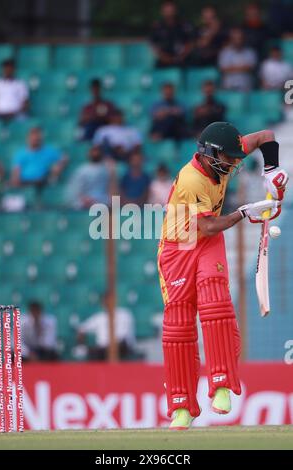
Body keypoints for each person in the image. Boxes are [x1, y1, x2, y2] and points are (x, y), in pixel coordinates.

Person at [158, 121, 288, 429]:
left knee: (215, 303)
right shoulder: (192, 180)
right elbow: (207, 226)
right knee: (178, 326)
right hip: (179, 247)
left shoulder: (226, 151)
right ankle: (182, 406)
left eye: (235, 157)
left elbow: (267, 137)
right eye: (228, 159)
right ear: (209, 154)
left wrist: (272, 172)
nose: (232, 164)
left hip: (207, 244)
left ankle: (221, 385)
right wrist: (245, 212)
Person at [76, 293, 137, 361]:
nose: (107, 303)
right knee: (91, 352)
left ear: (115, 301)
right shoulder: (99, 317)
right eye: (105, 301)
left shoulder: (124, 314)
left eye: (109, 301)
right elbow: (81, 329)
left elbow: (125, 336)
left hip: (121, 348)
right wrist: (81, 345)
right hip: (103, 350)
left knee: (119, 345)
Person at [150, 0, 194, 68]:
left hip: (183, 60)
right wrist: (164, 57)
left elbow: (190, 42)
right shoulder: (157, 27)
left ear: (175, 10)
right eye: (166, 10)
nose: (168, 12)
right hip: (164, 60)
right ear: (162, 11)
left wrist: (182, 56)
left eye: (170, 9)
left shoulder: (184, 25)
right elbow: (153, 44)